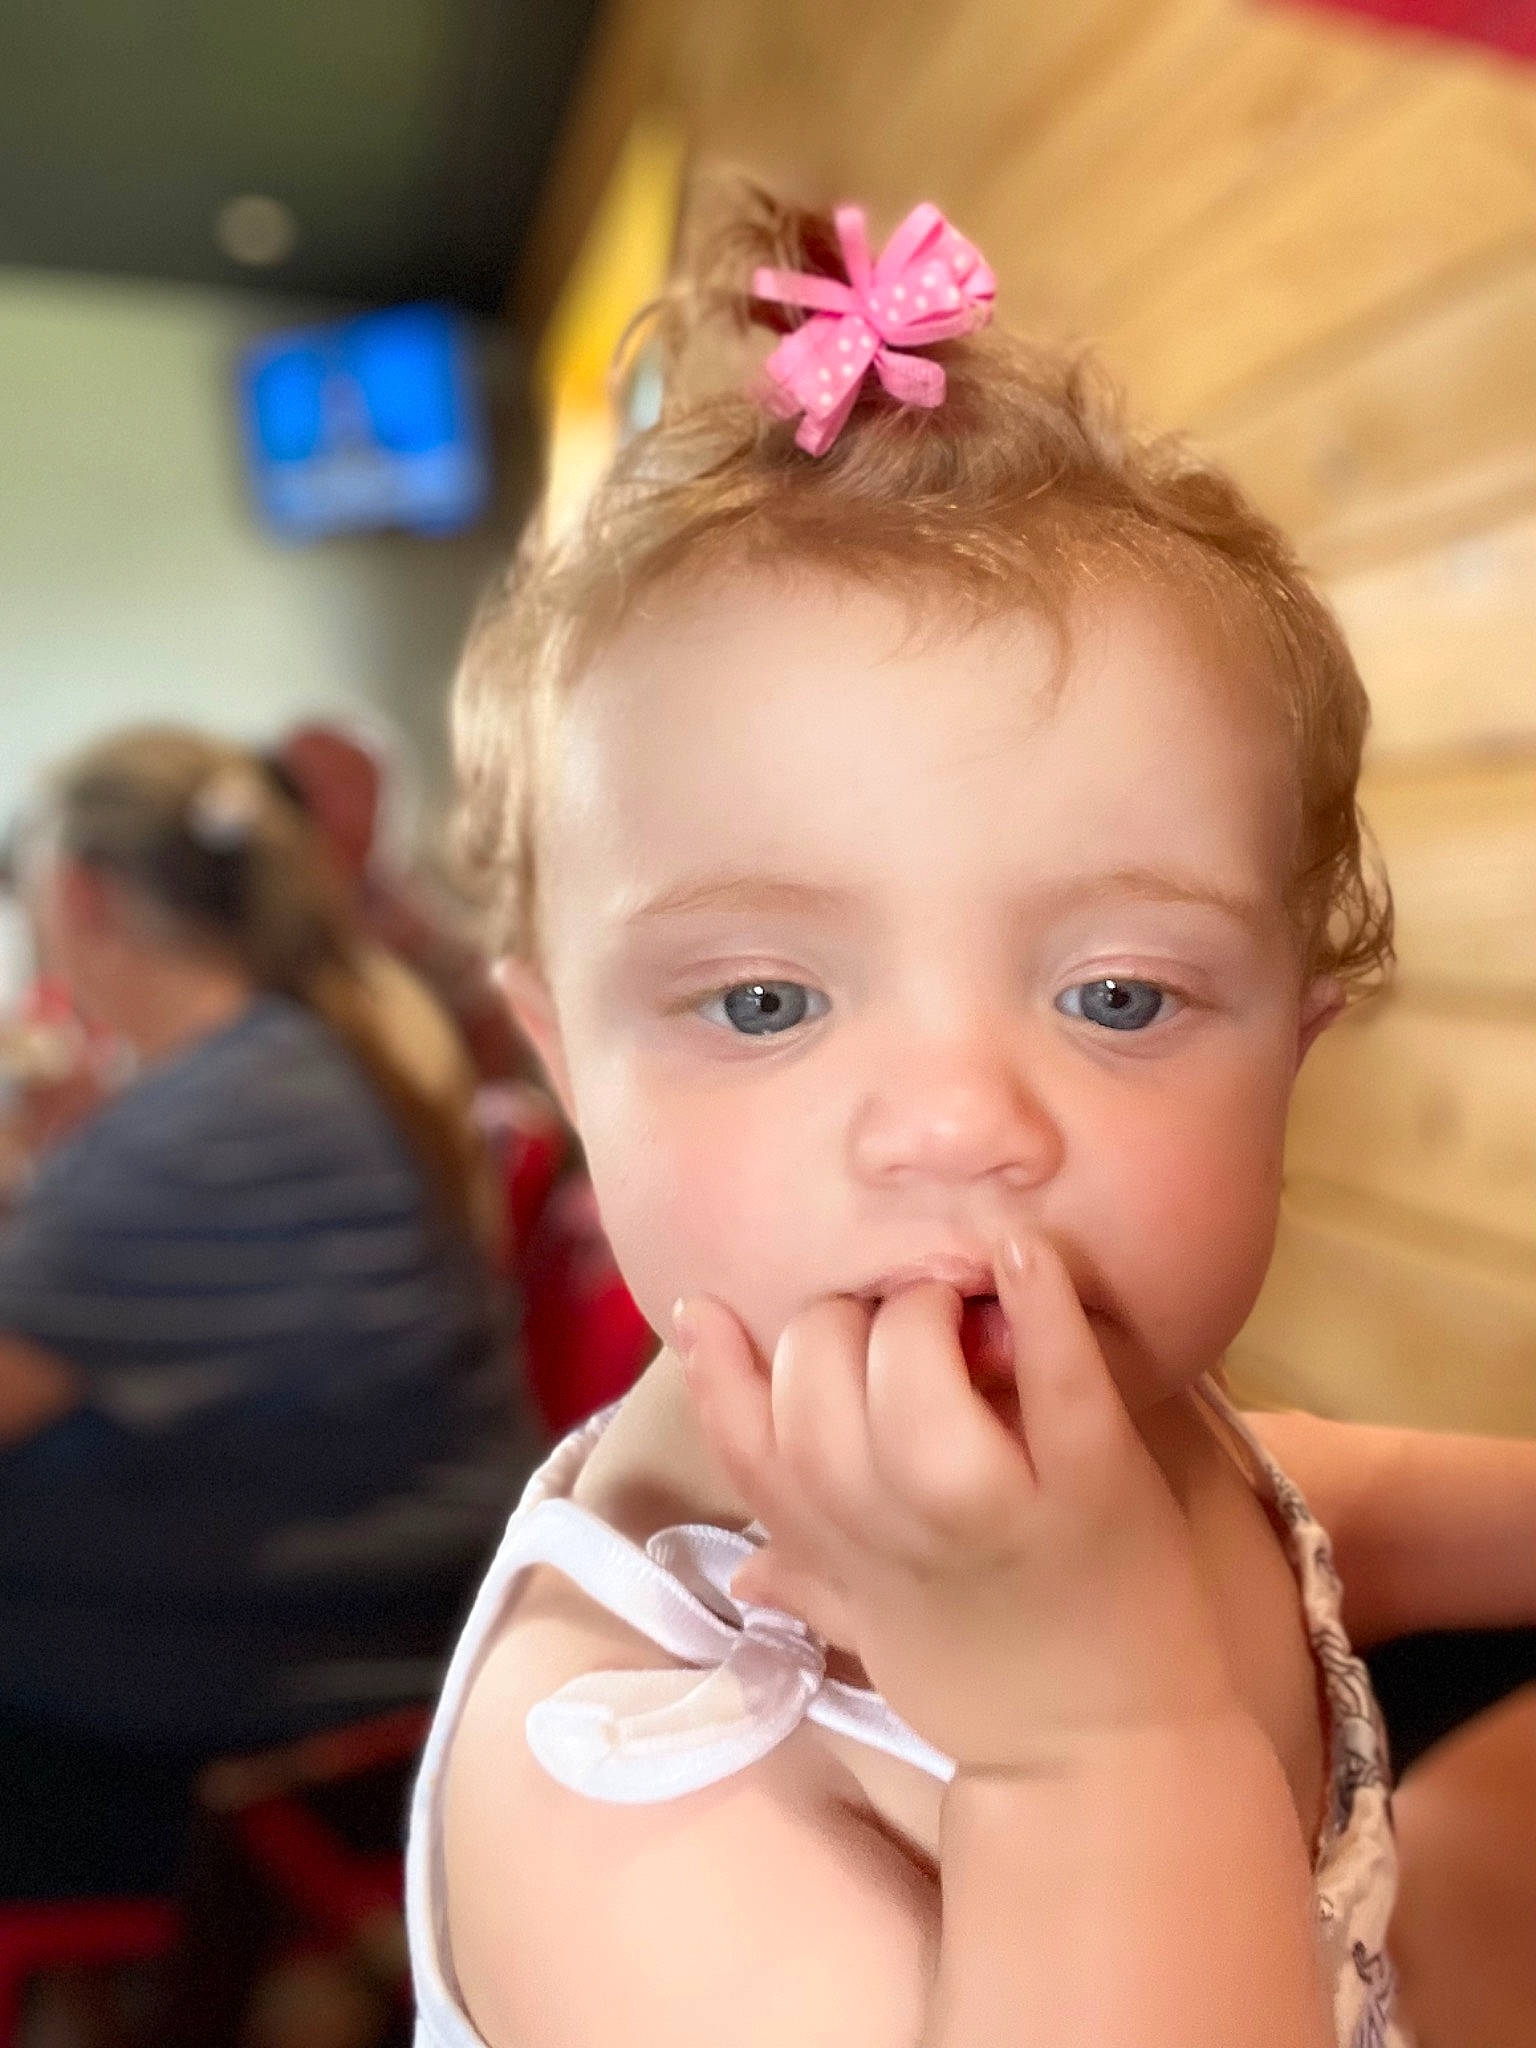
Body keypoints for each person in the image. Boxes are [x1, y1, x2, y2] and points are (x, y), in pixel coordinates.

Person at [404, 192, 1536, 2048]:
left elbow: (1320, 1508)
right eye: (763, 1001)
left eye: (1118, 997)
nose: (954, 1123)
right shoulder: (630, 1774)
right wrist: (1091, 1747)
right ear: (560, 1056)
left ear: (1293, 1058)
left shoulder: (1122, 1425)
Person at [0, 727, 542, 1903]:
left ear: (79, 894)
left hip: (272, 1672)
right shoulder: (292, 1057)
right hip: (381, 1596)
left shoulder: (197, 1132)